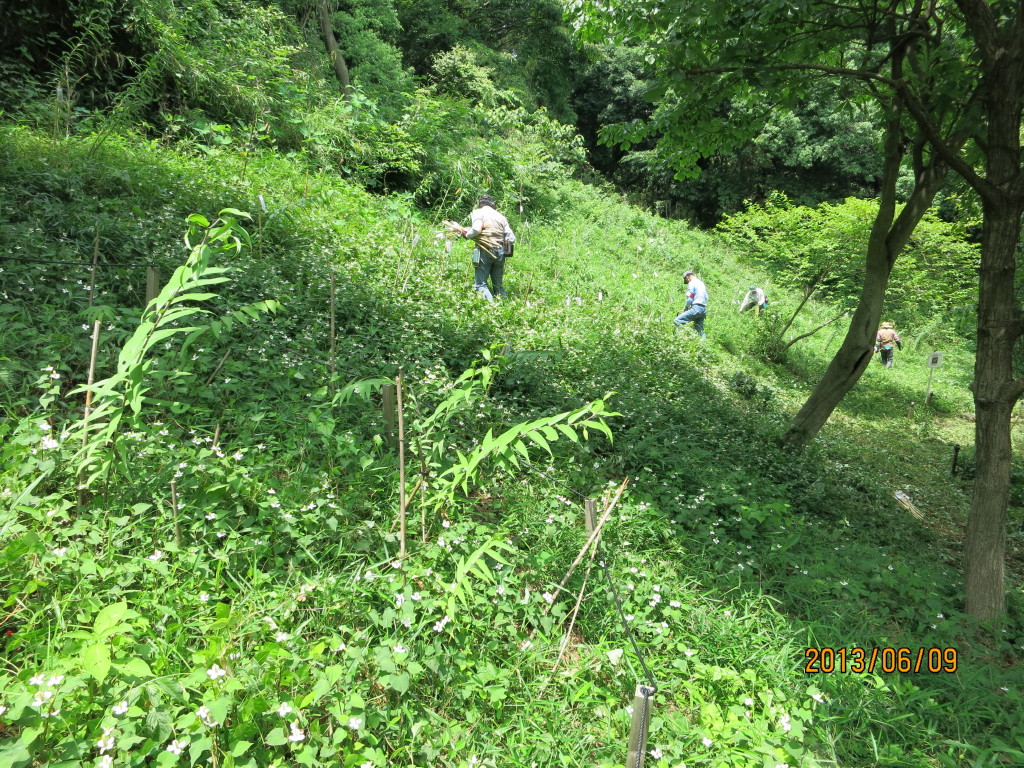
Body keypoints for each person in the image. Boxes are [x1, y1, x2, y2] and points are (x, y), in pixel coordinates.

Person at [461, 194, 515, 302]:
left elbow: (476, 229)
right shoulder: (501, 216)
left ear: (480, 204)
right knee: (498, 285)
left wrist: (466, 235)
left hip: (485, 248)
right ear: (492, 204)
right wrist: (503, 250)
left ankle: (490, 309)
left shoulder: (478, 212)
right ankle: (504, 307)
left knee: (480, 284)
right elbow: (511, 237)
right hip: (501, 250)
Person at [674, 270, 707, 337]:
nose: (687, 281)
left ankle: (680, 338)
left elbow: (690, 298)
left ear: (687, 277)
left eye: (686, 280)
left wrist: (685, 308)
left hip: (696, 308)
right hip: (703, 309)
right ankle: (704, 345)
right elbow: (706, 297)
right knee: (699, 330)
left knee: (677, 321)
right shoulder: (701, 283)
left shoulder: (692, 283)